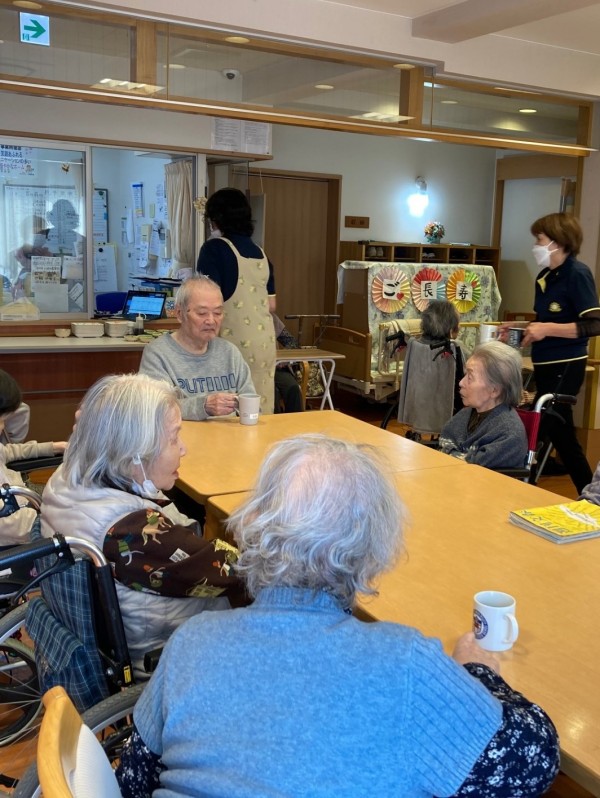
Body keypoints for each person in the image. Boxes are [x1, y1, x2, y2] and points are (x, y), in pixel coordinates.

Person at [117, 434, 559, 798]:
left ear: (255, 526)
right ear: (372, 549)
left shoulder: (192, 640)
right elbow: (534, 763)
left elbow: (134, 781)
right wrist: (480, 674)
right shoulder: (405, 664)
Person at [40, 373, 245, 673]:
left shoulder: (67, 478)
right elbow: (235, 572)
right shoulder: (134, 531)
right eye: (174, 438)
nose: (183, 448)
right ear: (134, 454)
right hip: (168, 653)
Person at [498, 213, 600, 493]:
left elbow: (594, 324)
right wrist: (520, 328)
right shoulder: (545, 277)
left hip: (566, 364)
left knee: (547, 425)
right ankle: (587, 494)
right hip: (544, 362)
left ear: (558, 242)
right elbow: (544, 322)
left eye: (539, 240)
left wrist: (547, 329)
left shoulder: (577, 274)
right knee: (558, 432)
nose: (536, 246)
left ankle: (516, 484)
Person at [197, 187, 276, 414]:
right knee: (258, 408)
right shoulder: (262, 254)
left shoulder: (214, 249)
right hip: (264, 344)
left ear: (215, 219)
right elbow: (271, 305)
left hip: (231, 343)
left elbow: (203, 299)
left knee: (227, 410)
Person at [139, 275, 255, 420]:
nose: (211, 321)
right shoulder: (158, 353)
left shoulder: (229, 352)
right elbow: (155, 409)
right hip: (181, 433)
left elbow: (252, 404)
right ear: (179, 313)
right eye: (202, 313)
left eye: (218, 313)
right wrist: (203, 406)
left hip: (231, 432)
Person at [0, 370, 66, 545]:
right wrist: (47, 521)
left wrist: (53, 447)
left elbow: (8, 451)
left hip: (24, 500)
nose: (3, 427)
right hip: (23, 533)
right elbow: (12, 526)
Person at [439, 340, 528, 468]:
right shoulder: (467, 413)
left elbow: (471, 468)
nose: (461, 383)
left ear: (494, 390)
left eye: (470, 378)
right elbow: (444, 443)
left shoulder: (508, 434)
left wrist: (450, 453)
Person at [272, 312, 304, 413]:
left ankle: (295, 421)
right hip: (254, 370)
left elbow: (292, 343)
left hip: (275, 368)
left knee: (293, 387)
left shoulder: (271, 318)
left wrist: (283, 359)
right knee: (273, 392)